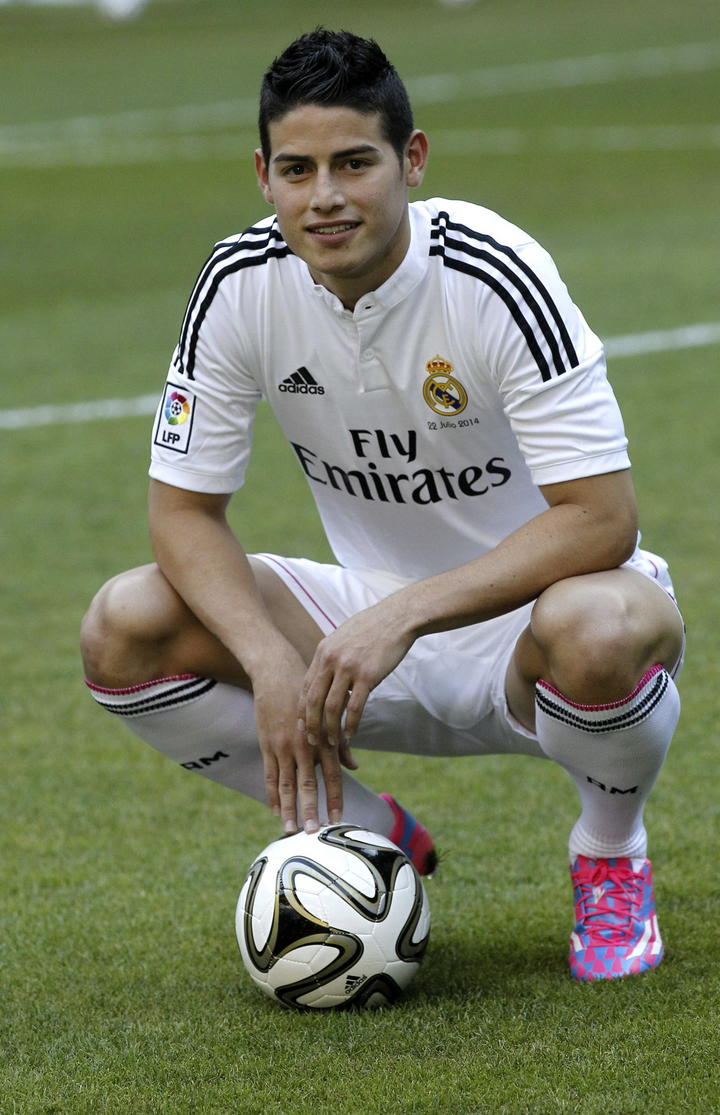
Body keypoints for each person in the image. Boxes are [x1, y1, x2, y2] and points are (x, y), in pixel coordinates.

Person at [80, 28, 685, 983]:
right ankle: (366, 833)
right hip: (356, 632)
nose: (325, 196)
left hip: (536, 623)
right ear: (264, 176)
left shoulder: (492, 271)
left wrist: (404, 614)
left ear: (412, 159)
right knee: (125, 622)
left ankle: (611, 856)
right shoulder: (239, 283)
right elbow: (182, 513)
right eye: (297, 169)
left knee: (602, 623)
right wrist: (268, 659)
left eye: (354, 163)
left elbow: (602, 518)